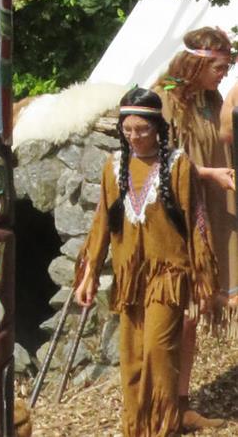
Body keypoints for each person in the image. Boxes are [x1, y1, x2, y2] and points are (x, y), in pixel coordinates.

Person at [74, 88, 219, 437]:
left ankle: (162, 427)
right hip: (130, 278)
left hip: (169, 275)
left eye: (142, 130)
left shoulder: (178, 165)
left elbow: (196, 222)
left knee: (158, 350)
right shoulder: (115, 168)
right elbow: (102, 225)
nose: (135, 137)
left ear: (158, 128)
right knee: (133, 356)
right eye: (128, 130)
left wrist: (203, 281)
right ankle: (137, 428)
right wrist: (89, 274)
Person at [153, 26, 236, 432]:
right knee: (175, 312)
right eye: (220, 66)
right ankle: (161, 404)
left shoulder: (210, 97)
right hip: (177, 218)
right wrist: (205, 173)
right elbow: (157, 160)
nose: (225, 73)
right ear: (198, 62)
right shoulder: (165, 92)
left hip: (210, 211)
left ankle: (182, 405)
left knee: (192, 313)